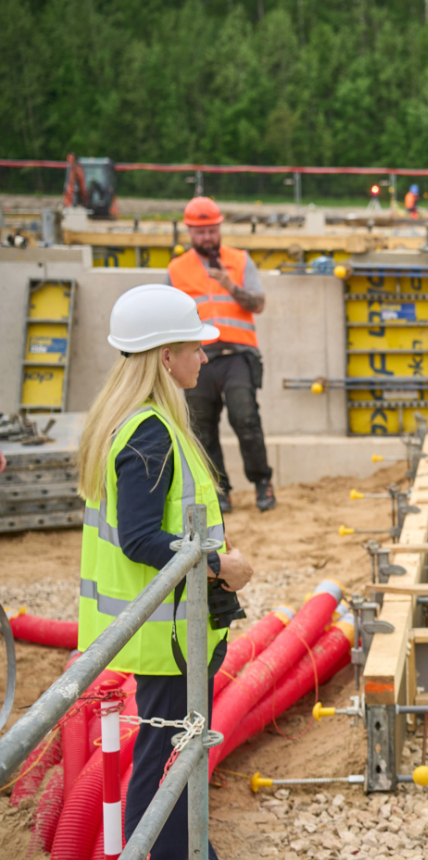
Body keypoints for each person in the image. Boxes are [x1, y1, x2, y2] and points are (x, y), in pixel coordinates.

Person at [76, 283, 256, 860]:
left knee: (171, 757)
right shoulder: (149, 431)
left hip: (168, 631)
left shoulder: (137, 421)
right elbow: (139, 539)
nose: (204, 356)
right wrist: (220, 564)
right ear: (164, 357)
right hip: (170, 636)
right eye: (194, 347)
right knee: (167, 764)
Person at [166, 197, 274, 513]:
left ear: (220, 228)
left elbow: (258, 304)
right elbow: (168, 316)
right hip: (197, 357)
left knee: (246, 418)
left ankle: (262, 483)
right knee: (202, 428)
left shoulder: (239, 261)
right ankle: (219, 491)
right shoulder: (176, 269)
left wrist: (229, 284)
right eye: (200, 232)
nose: (207, 237)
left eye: (212, 231)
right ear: (189, 231)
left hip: (238, 354)